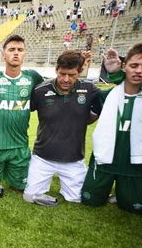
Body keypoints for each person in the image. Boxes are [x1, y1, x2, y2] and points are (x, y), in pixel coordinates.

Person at [23, 51, 102, 206]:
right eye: (62, 74)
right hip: (42, 157)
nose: (66, 79)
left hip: (74, 158)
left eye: (71, 75)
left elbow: (100, 109)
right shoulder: (40, 90)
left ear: (79, 72)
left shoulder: (90, 90)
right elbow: (22, 109)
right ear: (56, 70)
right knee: (29, 196)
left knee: (77, 199)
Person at [82, 43, 142, 214]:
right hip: (105, 159)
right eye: (134, 65)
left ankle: (123, 191)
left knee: (134, 208)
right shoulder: (106, 95)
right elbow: (88, 120)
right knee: (89, 200)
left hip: (136, 162)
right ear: (124, 66)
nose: (138, 70)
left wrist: (116, 75)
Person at [0, 35, 44, 197]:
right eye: (11, 50)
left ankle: (14, 172)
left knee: (20, 187)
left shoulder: (33, 77)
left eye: (20, 50)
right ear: (3, 54)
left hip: (19, 146)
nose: (16, 53)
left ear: (25, 54)